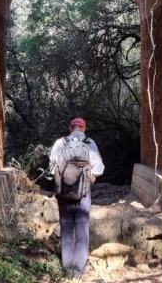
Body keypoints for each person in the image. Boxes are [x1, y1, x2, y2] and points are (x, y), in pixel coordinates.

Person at [49, 116, 104, 278]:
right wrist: (88, 176)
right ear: (84, 128)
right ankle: (78, 272)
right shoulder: (89, 143)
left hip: (63, 194)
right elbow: (99, 168)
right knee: (81, 230)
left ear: (70, 128)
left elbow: (52, 168)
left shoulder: (60, 143)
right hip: (83, 195)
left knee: (66, 229)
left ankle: (67, 270)